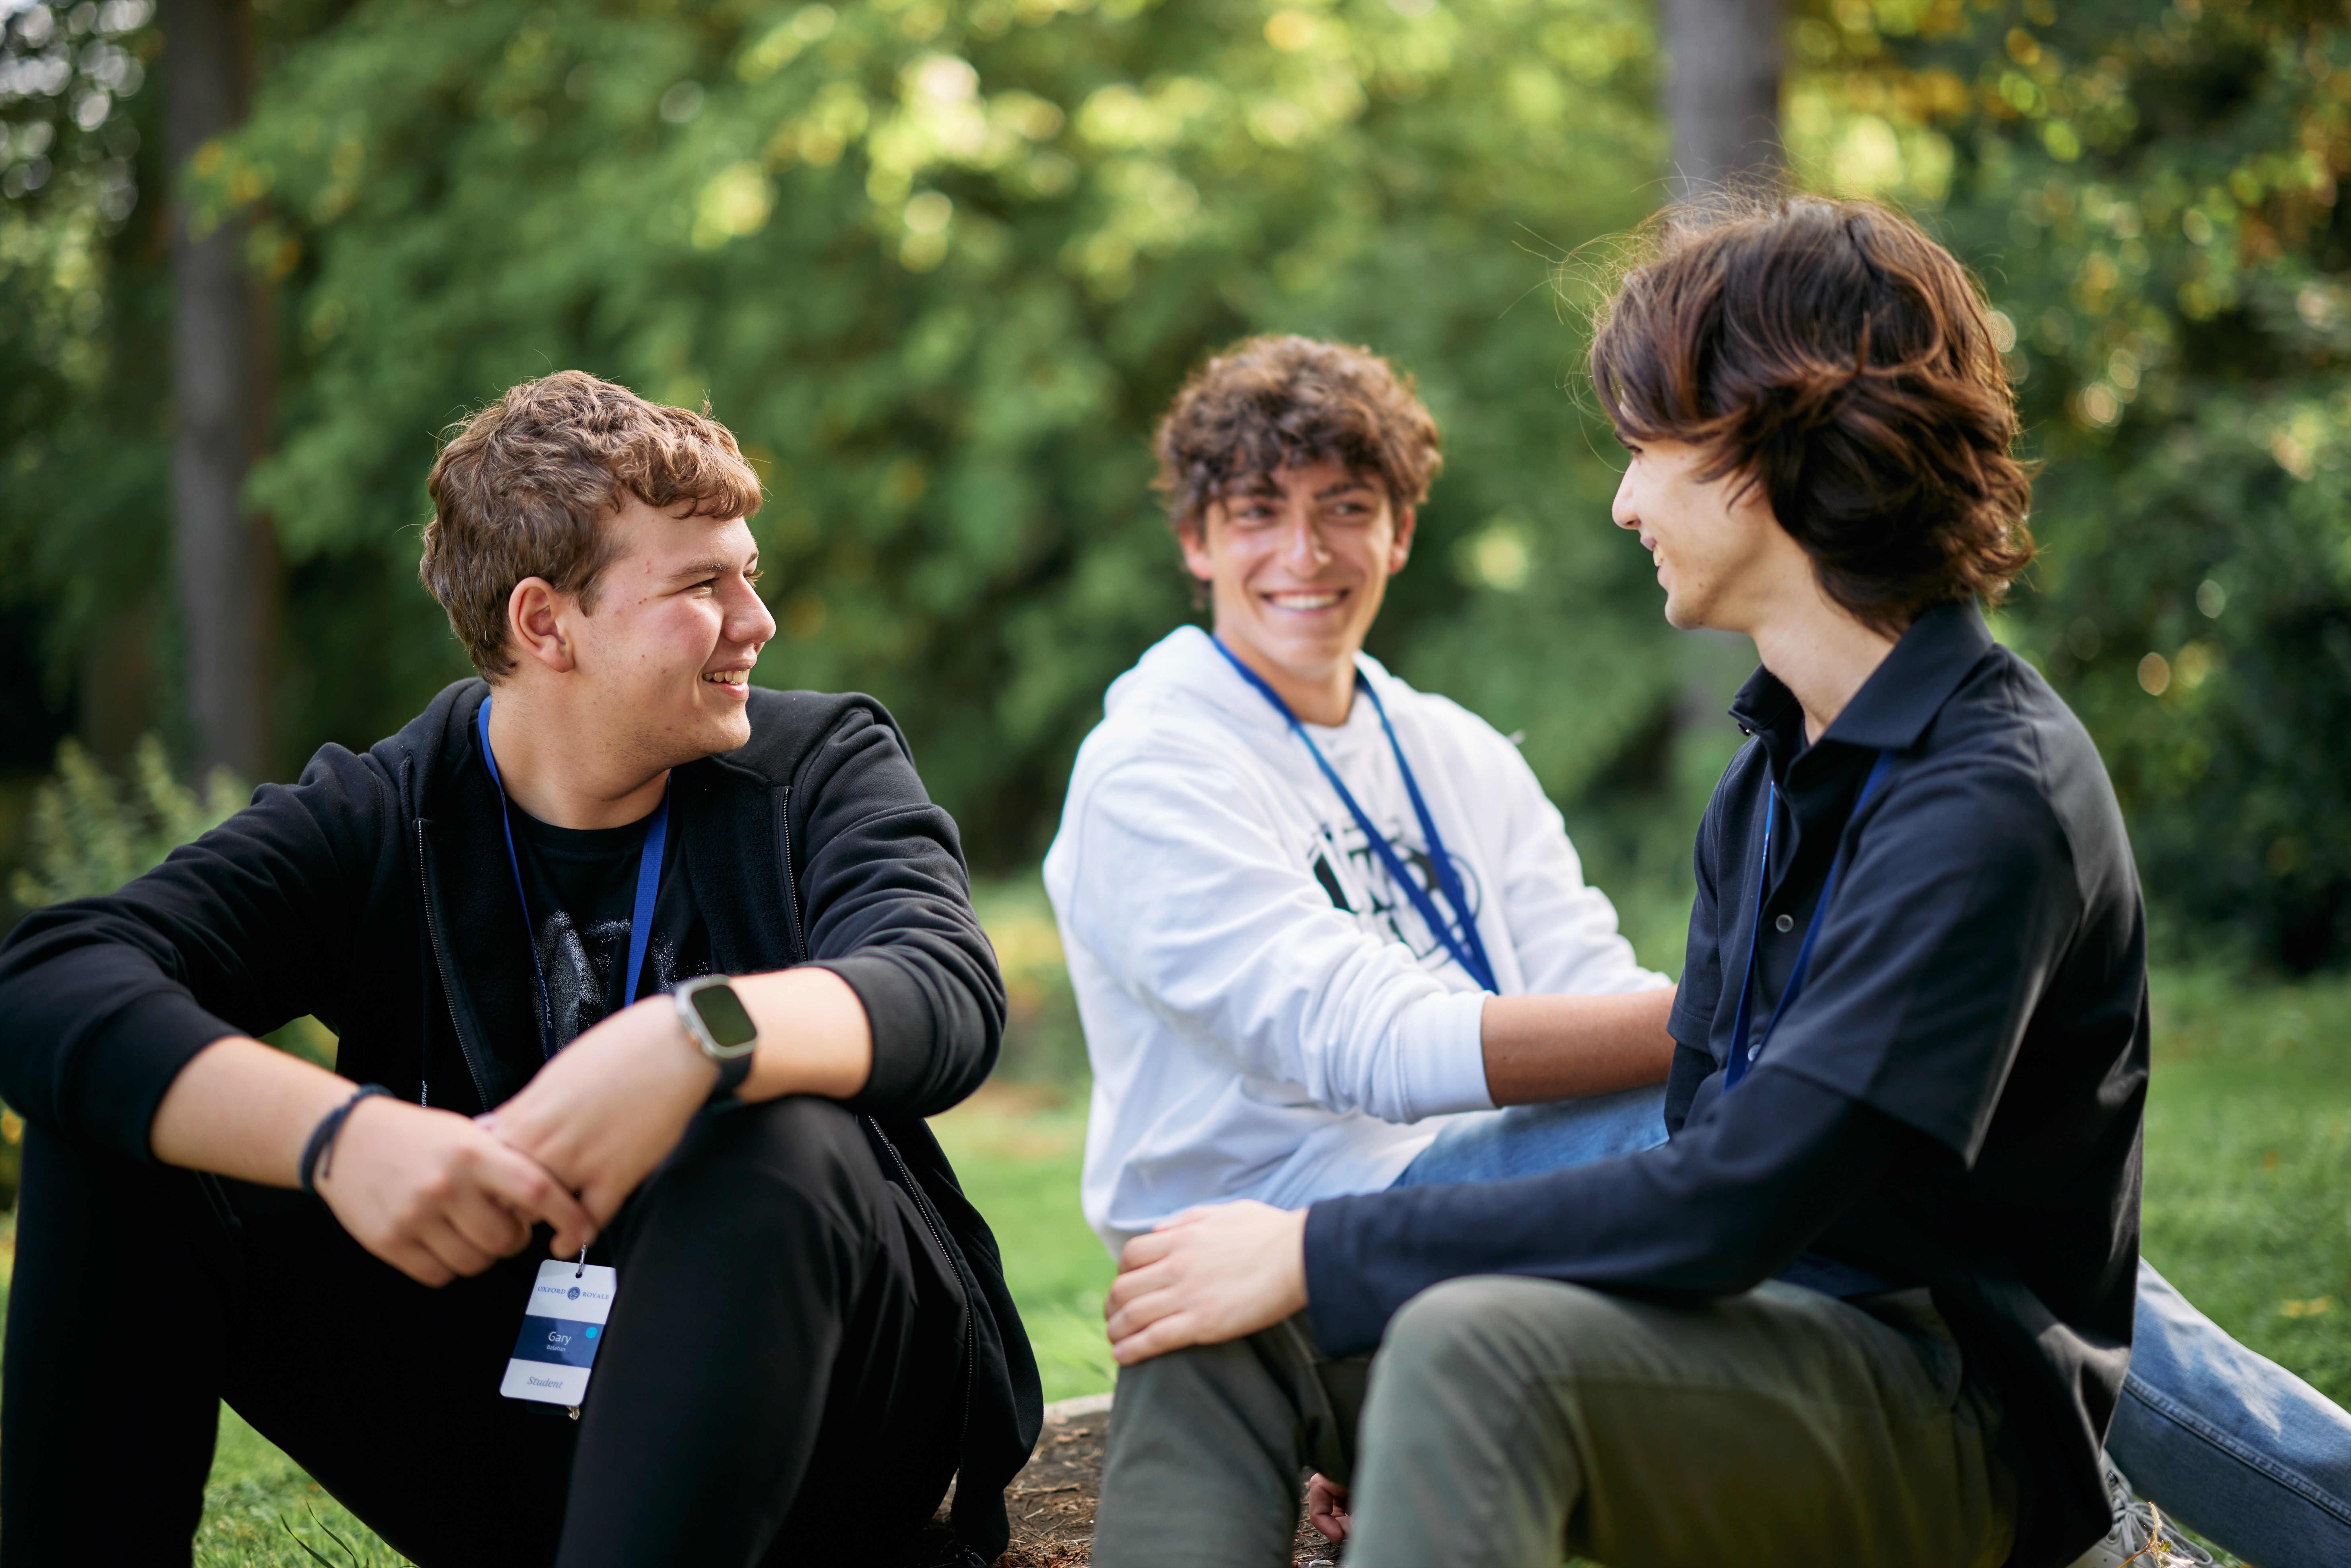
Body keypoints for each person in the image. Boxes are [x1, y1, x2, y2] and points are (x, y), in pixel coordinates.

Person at [1048, 306, 2351, 1565]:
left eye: (1344, 508)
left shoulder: (1968, 789)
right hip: (1318, 1198)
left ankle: (2213, 1511)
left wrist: (1344, 1263)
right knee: (1208, 1318)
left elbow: (1711, 1134)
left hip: (1879, 1360)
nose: (1304, 551)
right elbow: (1378, 1043)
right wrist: (1330, 1260)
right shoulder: (1159, 765)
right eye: (1257, 514)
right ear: (1194, 541)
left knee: (1647, 1166)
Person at [0, 371, 1040, 1568]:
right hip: (518, 1411)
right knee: (118, 1119)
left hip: (831, 1427)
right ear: (546, 624)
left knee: (771, 1122)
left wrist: (693, 1041)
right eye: (704, 585)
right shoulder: (389, 810)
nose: (757, 620)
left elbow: (946, 989)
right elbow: (51, 976)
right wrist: (342, 1136)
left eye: (747, 572)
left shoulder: (816, 765)